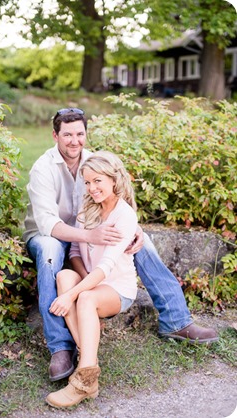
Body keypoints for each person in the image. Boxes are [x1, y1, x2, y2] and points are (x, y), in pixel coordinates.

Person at [23, 108, 218, 383]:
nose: (74, 141)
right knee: (51, 252)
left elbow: (115, 202)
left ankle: (175, 319)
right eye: (67, 135)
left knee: (143, 240)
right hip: (51, 234)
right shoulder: (43, 168)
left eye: (80, 134)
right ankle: (61, 347)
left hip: (90, 230)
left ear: (85, 134)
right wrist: (91, 236)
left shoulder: (94, 161)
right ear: (55, 136)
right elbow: (48, 224)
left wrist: (132, 228)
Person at [45, 150, 139, 407]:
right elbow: (75, 251)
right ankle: (90, 367)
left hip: (118, 288)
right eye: (87, 182)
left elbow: (107, 267)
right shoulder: (87, 210)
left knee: (83, 297)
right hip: (93, 280)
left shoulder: (125, 215)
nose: (92, 187)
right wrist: (81, 279)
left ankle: (83, 381)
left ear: (113, 180)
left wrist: (71, 295)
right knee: (65, 275)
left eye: (98, 181)